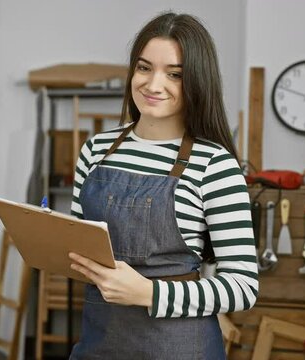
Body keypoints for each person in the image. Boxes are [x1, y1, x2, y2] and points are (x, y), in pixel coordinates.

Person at [68, 12, 258, 360]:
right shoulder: (95, 150)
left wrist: (148, 293)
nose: (153, 85)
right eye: (144, 68)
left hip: (180, 349)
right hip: (100, 345)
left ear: (198, 82)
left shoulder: (214, 164)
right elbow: (79, 250)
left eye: (174, 75)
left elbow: (242, 289)